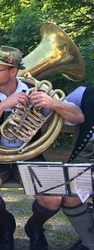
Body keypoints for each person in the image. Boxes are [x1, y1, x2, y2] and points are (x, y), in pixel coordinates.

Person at [0, 46, 84, 250]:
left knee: (53, 198)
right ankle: (6, 223)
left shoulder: (37, 92)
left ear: (13, 72)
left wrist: (53, 103)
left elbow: (78, 117)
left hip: (29, 156)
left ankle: (35, 227)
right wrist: (3, 106)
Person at [61, 86, 94, 250]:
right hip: (85, 155)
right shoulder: (82, 92)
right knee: (70, 195)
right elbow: (58, 112)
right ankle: (89, 242)